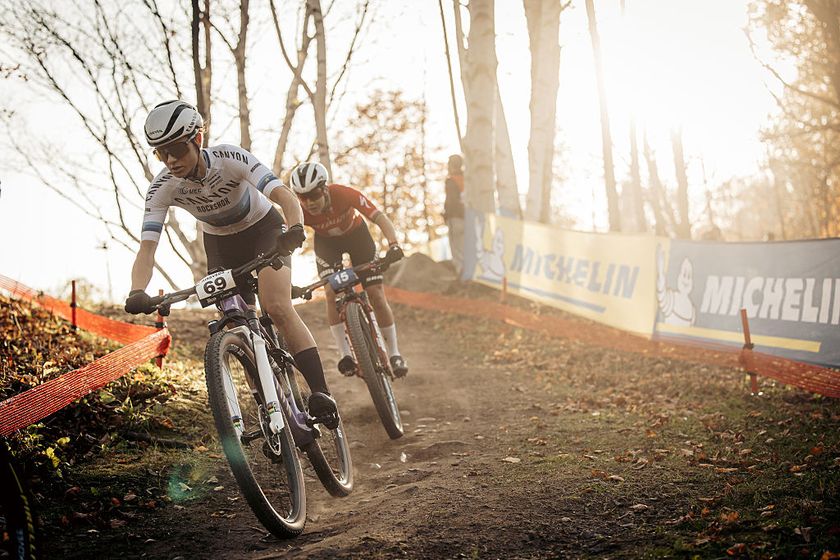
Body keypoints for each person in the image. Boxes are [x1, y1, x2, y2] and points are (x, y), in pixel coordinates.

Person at [124, 100, 338, 423]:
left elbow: (283, 195)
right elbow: (147, 248)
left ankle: (321, 393)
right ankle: (270, 409)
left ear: (197, 139)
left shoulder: (230, 158)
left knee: (276, 305)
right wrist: (137, 289)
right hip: (220, 244)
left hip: (264, 230)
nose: (170, 160)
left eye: (176, 150)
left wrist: (294, 228)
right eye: (160, 153)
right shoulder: (162, 188)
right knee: (235, 323)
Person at [289, 162, 409, 378]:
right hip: (327, 246)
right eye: (302, 196)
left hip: (358, 239)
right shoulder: (300, 211)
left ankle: (394, 353)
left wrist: (393, 244)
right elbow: (285, 242)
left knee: (376, 294)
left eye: (314, 194)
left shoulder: (343, 194)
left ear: (325, 189)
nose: (309, 202)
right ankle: (346, 355)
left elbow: (379, 217)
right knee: (330, 293)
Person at [443, 154, 465, 276]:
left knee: (456, 248)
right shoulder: (467, 180)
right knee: (465, 246)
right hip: (467, 218)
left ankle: (461, 274)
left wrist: (447, 215)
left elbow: (451, 200)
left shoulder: (451, 181)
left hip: (455, 218)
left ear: (451, 165)